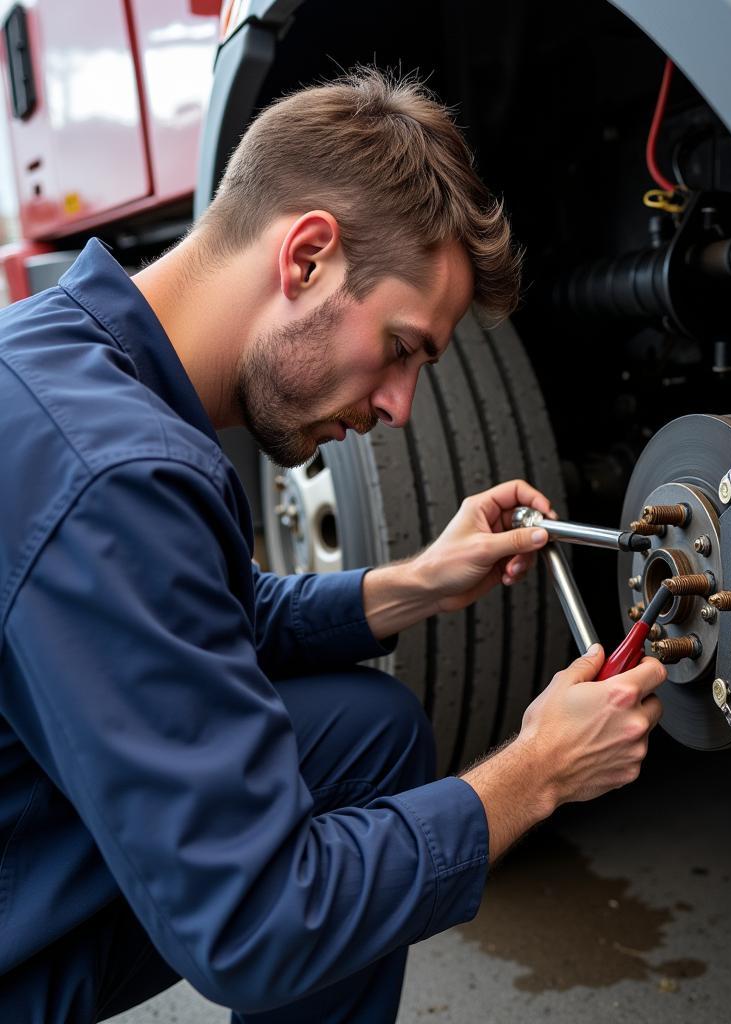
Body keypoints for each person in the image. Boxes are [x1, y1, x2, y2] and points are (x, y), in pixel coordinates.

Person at [0, 69, 664, 1022]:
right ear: (306, 256)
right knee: (295, 877)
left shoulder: (68, 356)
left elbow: (203, 616)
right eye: (403, 348)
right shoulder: (113, 474)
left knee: (368, 732)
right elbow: (257, 923)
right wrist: (536, 772)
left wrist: (416, 585)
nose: (399, 408)